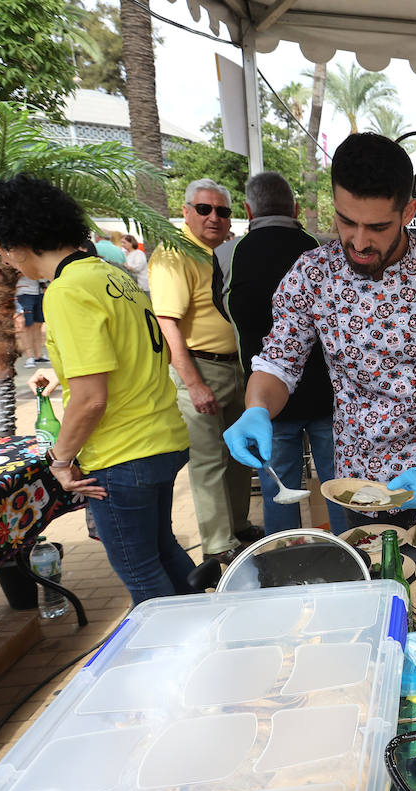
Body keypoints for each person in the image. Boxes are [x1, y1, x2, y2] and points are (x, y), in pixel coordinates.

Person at [223, 133, 416, 528]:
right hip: (359, 485)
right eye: (347, 221)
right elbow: (279, 364)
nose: (359, 241)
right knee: (375, 587)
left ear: (409, 211)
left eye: (378, 227)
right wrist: (257, 408)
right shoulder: (312, 274)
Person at [0, 175, 194, 604]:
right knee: (163, 551)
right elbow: (122, 361)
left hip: (122, 454)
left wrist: (60, 460)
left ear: (15, 241)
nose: (3, 259)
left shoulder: (66, 291)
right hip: (162, 438)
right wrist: (64, 377)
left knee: (141, 571)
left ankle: (181, 654)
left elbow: (91, 399)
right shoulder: (113, 275)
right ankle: (214, 627)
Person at [223, 171, 346, 536]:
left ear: (247, 209)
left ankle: (285, 566)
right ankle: (353, 555)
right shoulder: (318, 252)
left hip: (265, 397)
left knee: (279, 492)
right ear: (295, 208)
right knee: (339, 488)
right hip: (324, 393)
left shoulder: (229, 254)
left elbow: (226, 309)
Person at [150, 178, 261, 564]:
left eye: (222, 210)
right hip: (200, 368)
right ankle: (217, 542)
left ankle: (239, 525)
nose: (214, 217)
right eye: (204, 209)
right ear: (186, 211)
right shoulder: (174, 254)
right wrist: (194, 383)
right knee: (209, 459)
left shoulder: (226, 253)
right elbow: (168, 325)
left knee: (237, 454)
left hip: (236, 367)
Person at [15, 271, 47, 368]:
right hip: (24, 292)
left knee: (38, 324)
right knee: (27, 325)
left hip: (39, 291)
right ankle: (30, 356)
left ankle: (38, 355)